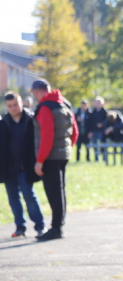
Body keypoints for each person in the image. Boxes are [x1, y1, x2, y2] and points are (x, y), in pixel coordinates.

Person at [30, 79, 78, 241]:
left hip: (49, 157)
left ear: (37, 92)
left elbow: (47, 137)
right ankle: (58, 225)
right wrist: (66, 148)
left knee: (53, 193)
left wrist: (40, 160)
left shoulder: (45, 107)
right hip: (63, 155)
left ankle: (56, 228)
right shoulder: (64, 104)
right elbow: (75, 131)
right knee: (60, 191)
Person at [2, 92, 45, 238]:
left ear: (21, 102)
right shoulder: (3, 122)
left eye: (16, 104)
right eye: (10, 106)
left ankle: (40, 226)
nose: (14, 108)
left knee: (29, 196)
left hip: (25, 167)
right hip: (8, 168)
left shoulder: (31, 120)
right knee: (13, 198)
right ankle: (20, 226)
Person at [87, 96, 107, 162]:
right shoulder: (93, 112)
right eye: (97, 102)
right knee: (95, 145)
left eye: (99, 102)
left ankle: (104, 157)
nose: (98, 104)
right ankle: (96, 158)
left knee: (102, 145)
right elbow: (91, 122)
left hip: (102, 131)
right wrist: (91, 131)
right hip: (95, 131)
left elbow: (106, 121)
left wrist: (102, 124)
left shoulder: (105, 112)